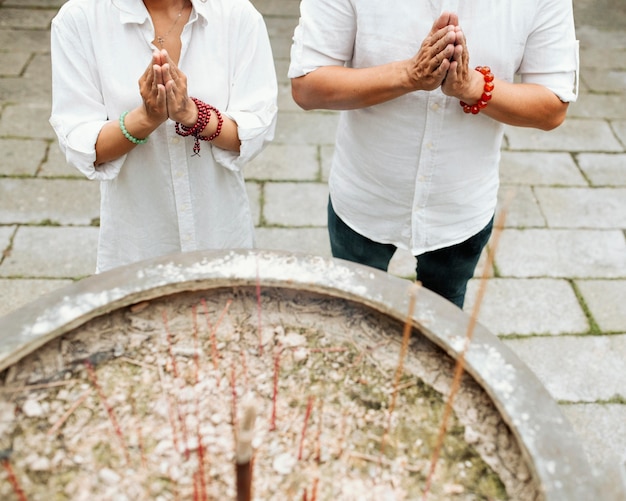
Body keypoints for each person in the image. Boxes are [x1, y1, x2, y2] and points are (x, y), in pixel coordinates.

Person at [288, 1, 578, 308]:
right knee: (355, 318)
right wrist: (409, 74)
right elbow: (307, 86)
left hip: (460, 206)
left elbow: (552, 107)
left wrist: (472, 86)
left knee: (443, 327)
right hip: (364, 194)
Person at [50, 0, 278, 273]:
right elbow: (82, 143)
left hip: (219, 235)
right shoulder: (80, 18)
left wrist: (193, 115)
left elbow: (255, 130)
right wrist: (145, 119)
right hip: (136, 247)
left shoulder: (236, 15)